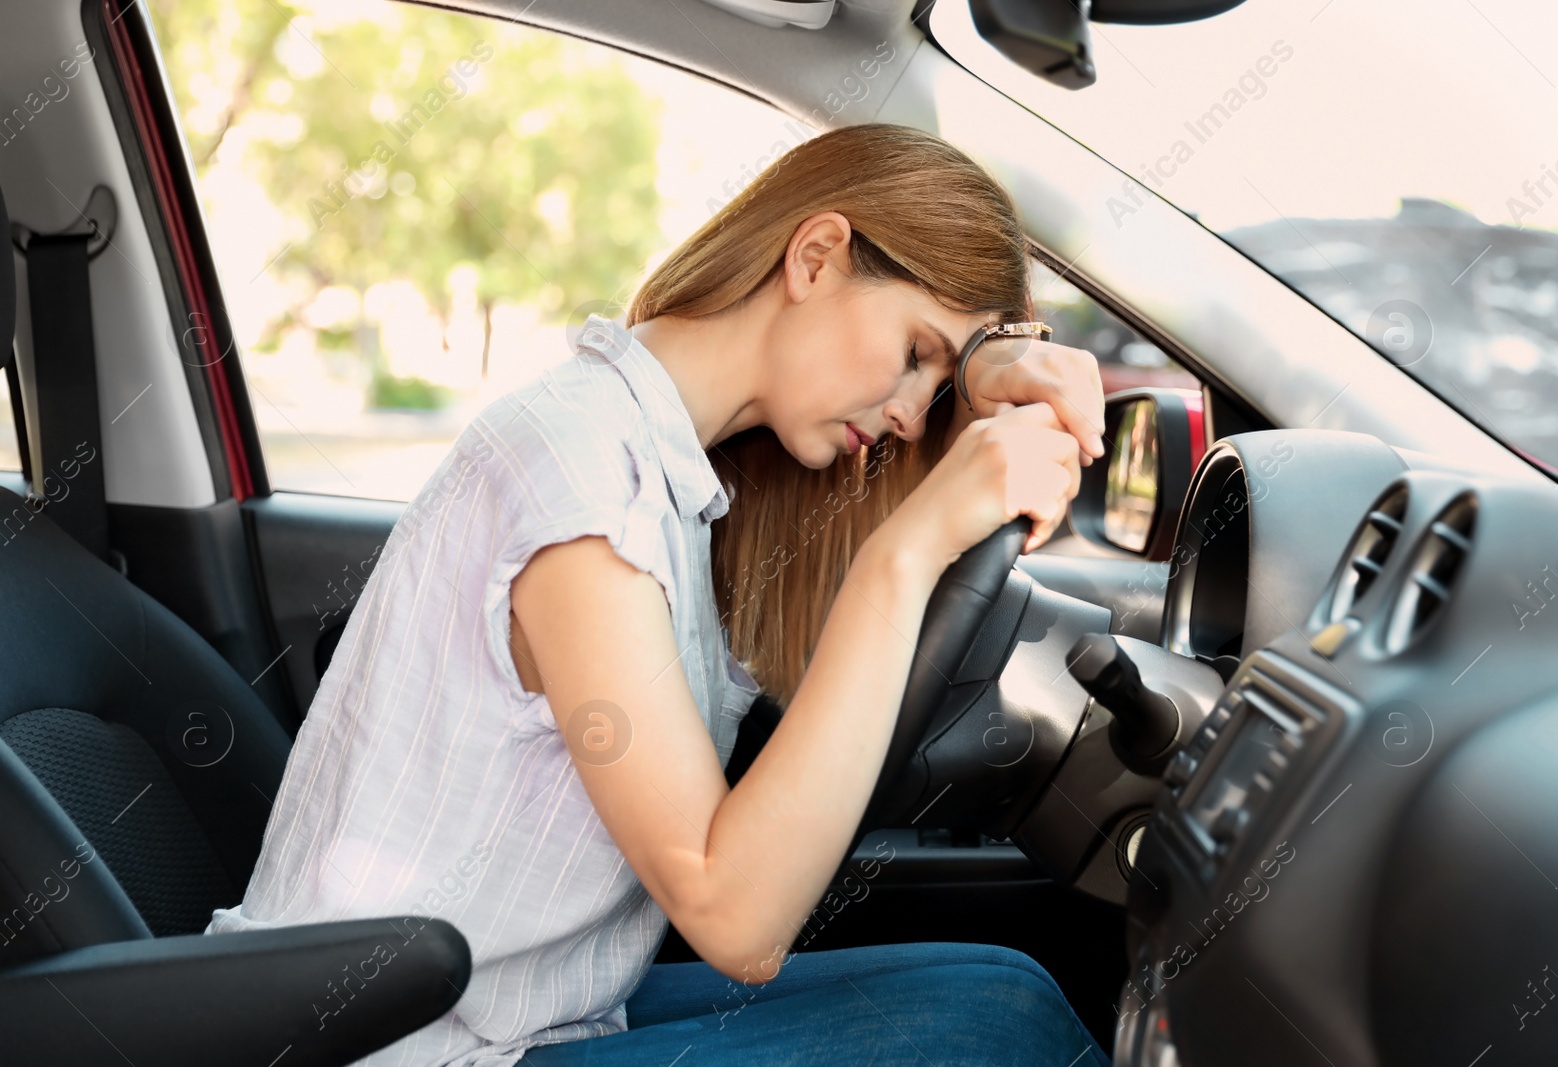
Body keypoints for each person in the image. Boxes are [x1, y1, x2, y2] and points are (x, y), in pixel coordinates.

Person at [205, 122, 1111, 1067]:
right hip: (398, 1047)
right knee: (996, 1033)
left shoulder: (682, 475)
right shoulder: (586, 480)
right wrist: (908, 551)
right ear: (816, 255)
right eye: (918, 352)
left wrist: (983, 368)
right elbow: (736, 916)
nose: (912, 416)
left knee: (1010, 987)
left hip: (519, 1017)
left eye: (942, 381)